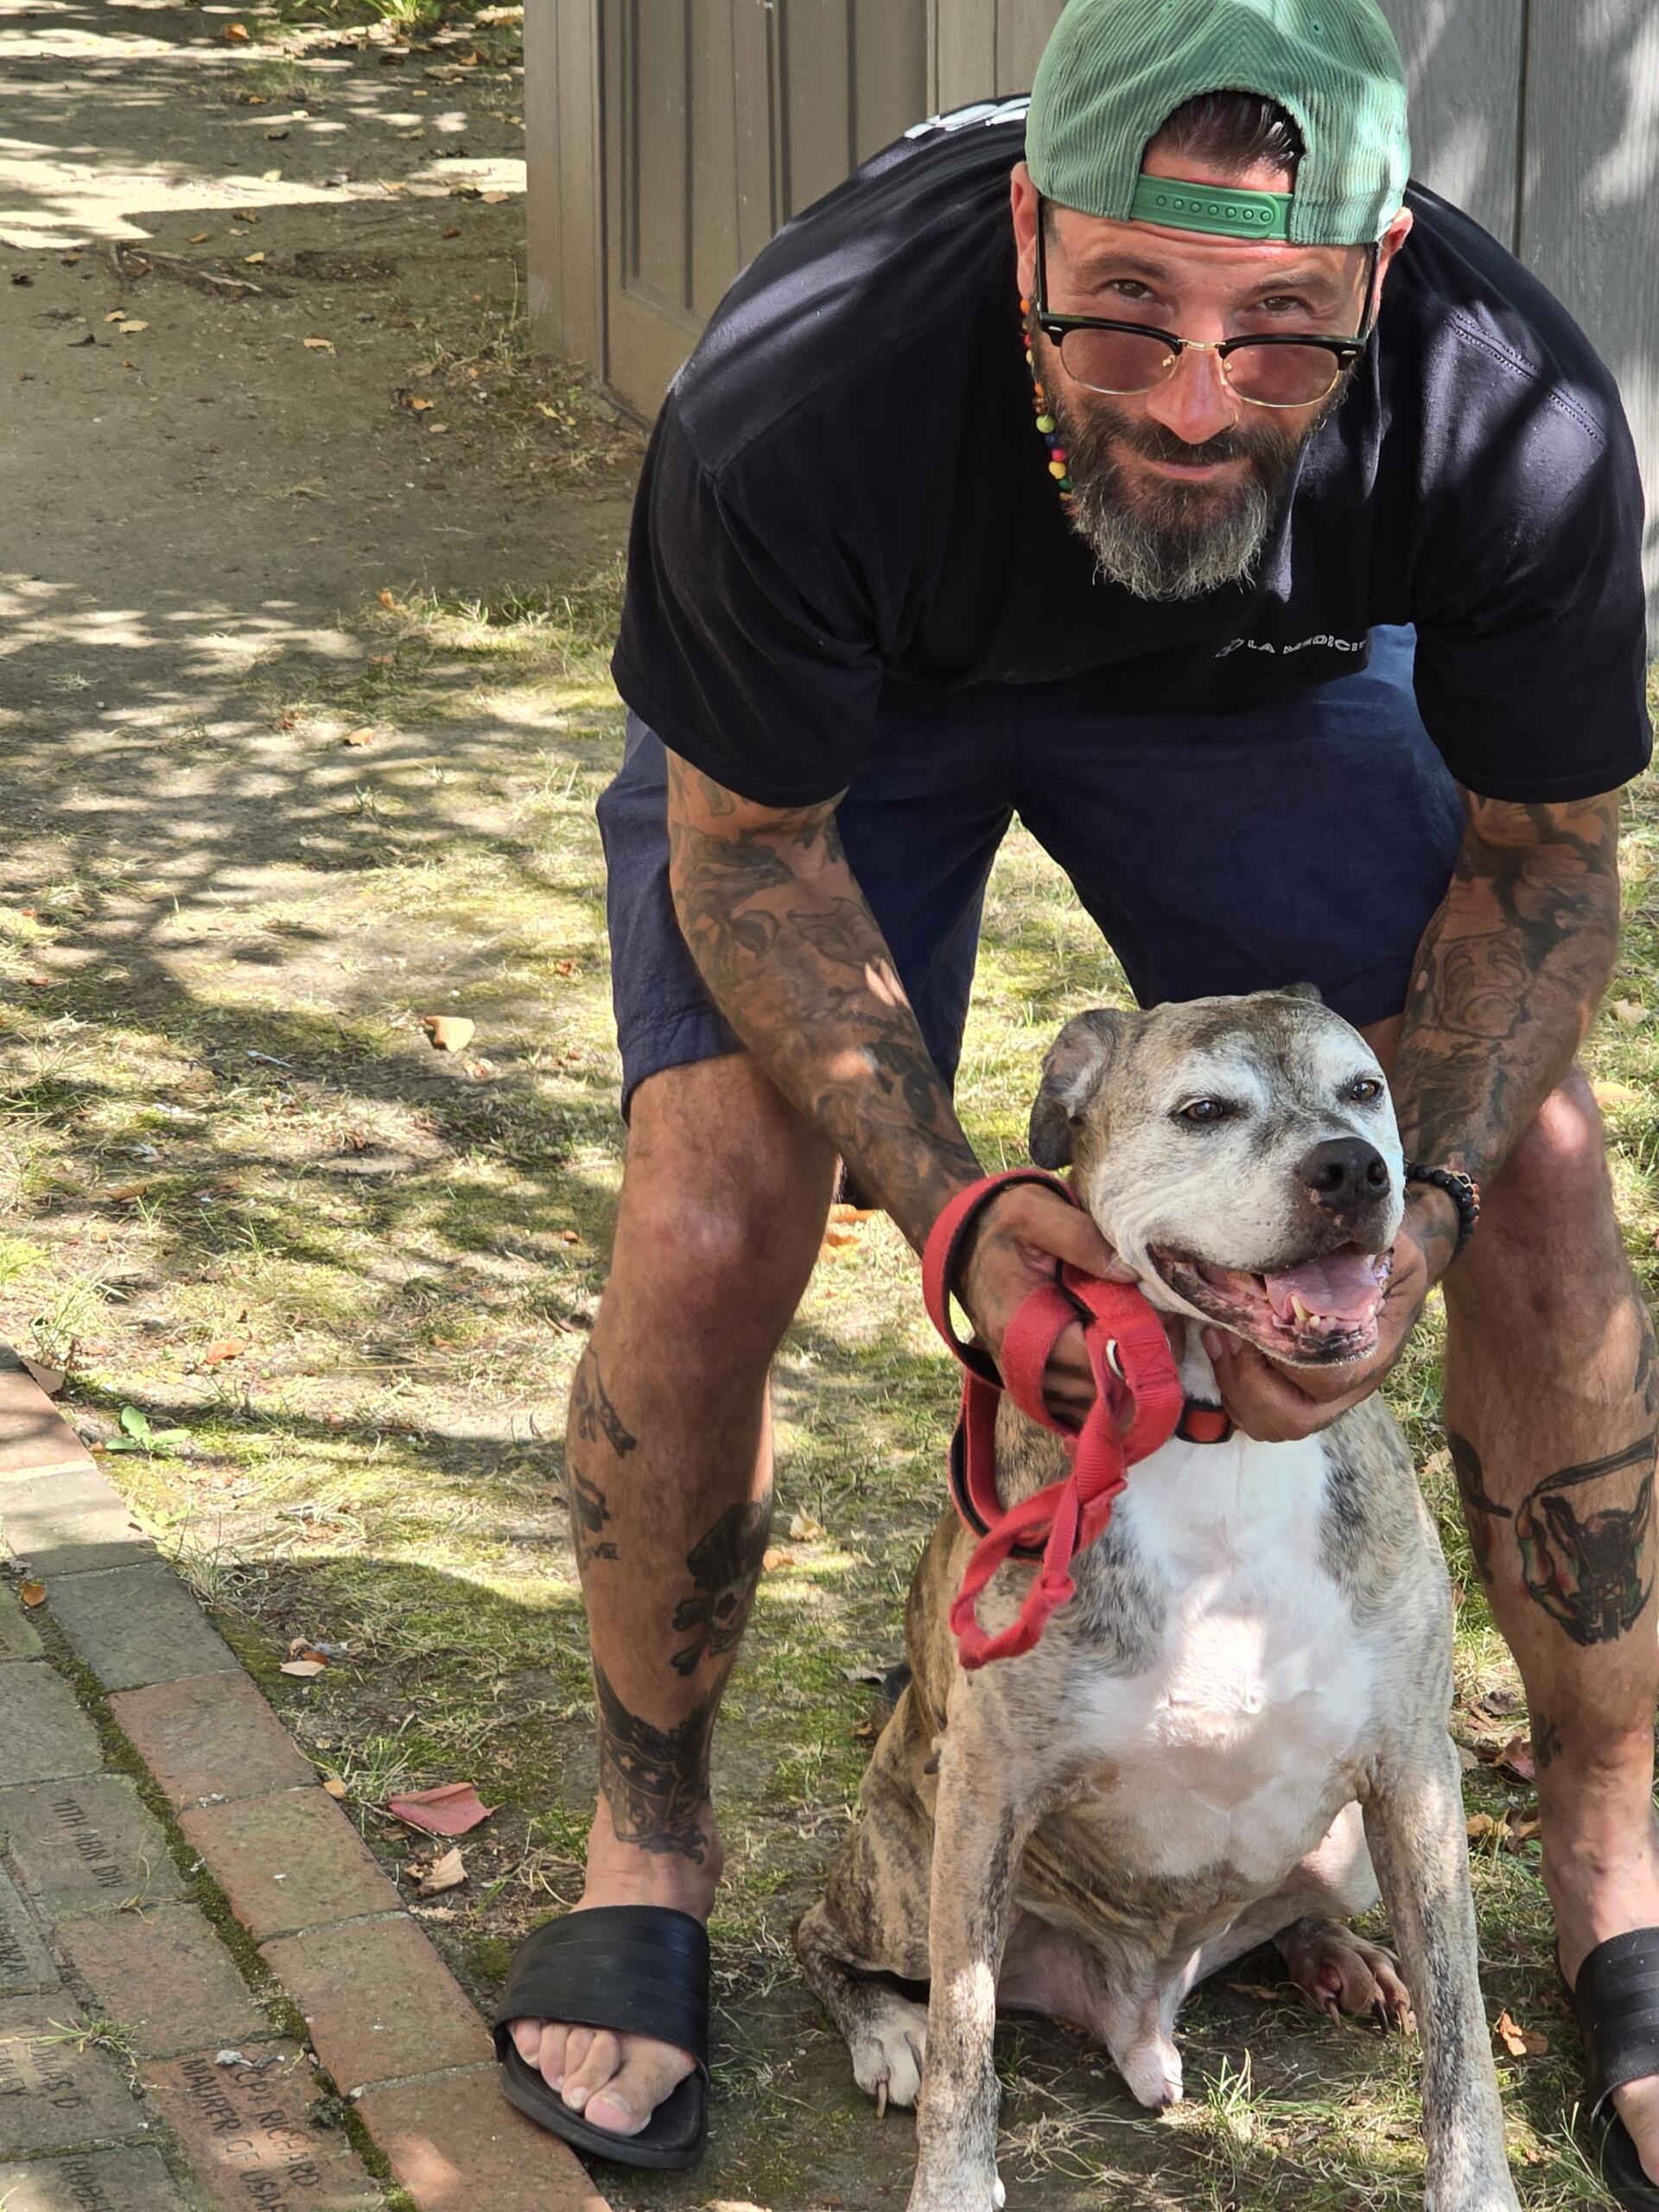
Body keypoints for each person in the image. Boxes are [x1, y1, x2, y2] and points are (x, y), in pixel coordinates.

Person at [488, 0, 1659, 2196]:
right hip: (871, 704)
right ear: (1025, 227)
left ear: (1383, 273)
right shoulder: (807, 388)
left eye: (1281, 328)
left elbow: (1546, 864)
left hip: (1253, 685)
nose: (1199, 394)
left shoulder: (1508, 406)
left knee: (1548, 1182)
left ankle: (1612, 1842)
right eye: (1125, 306)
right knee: (715, 1208)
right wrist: (956, 1202)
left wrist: (1421, 1210)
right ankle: (647, 1841)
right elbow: (747, 850)